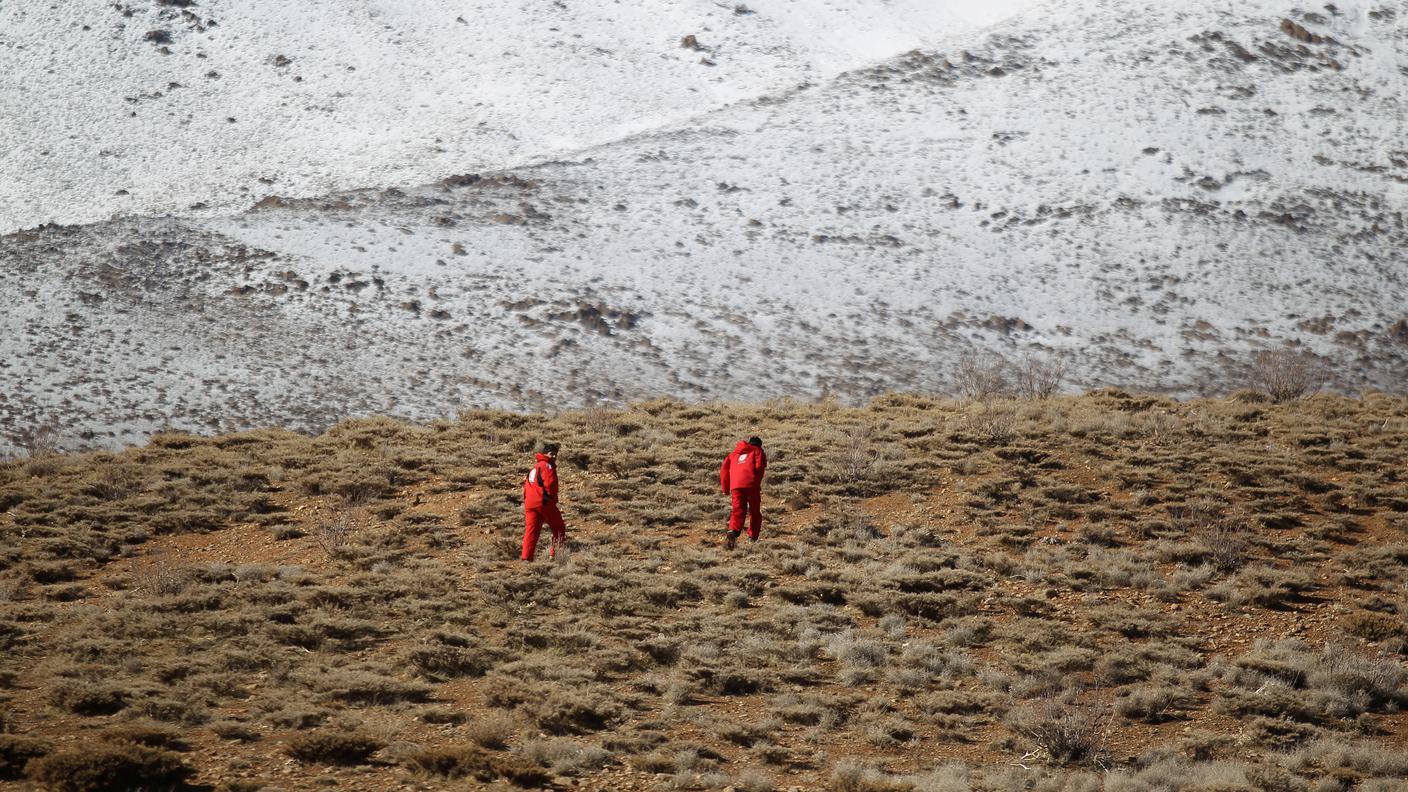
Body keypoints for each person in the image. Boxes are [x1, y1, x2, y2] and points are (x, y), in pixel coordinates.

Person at [719, 436, 767, 549]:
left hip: (735, 486)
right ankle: (753, 537)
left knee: (737, 510)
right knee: (754, 511)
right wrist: (757, 481)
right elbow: (760, 467)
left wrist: (725, 488)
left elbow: (724, 470)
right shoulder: (758, 451)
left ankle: (733, 531)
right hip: (751, 484)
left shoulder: (733, 454)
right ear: (759, 445)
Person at [522, 442, 566, 561]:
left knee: (531, 530)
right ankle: (554, 555)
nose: (554, 457)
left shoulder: (535, 467)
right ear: (545, 454)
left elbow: (526, 487)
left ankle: (526, 557)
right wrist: (552, 499)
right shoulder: (547, 466)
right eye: (552, 454)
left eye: (556, 454)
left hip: (530, 503)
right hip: (543, 502)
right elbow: (550, 484)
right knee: (559, 528)